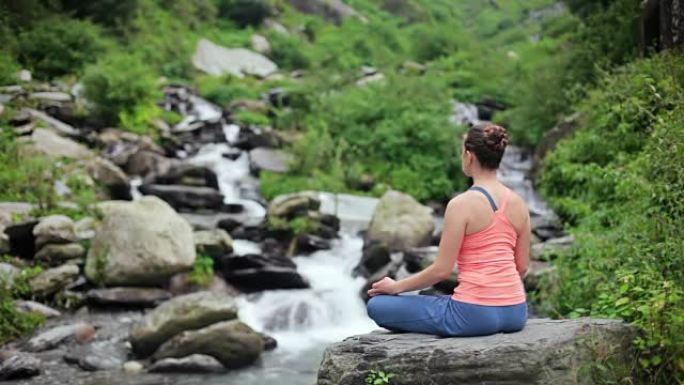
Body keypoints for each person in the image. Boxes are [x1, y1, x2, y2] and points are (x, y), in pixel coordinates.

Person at [366, 123, 530, 337]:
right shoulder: (519, 204)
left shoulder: (461, 205)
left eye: (462, 151)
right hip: (516, 312)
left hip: (473, 315)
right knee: (441, 301)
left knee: (378, 305)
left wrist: (396, 286)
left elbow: (442, 271)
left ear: (469, 156)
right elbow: (522, 267)